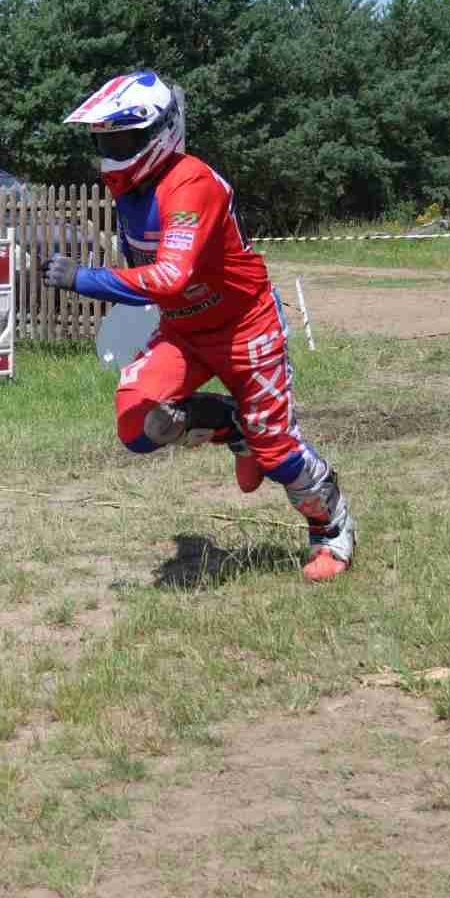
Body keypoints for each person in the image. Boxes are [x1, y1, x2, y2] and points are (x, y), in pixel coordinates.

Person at [41, 72, 355, 581]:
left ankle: (331, 529)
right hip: (185, 331)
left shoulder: (190, 183)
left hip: (244, 327)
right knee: (138, 427)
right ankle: (231, 425)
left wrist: (85, 278)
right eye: (103, 140)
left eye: (120, 139)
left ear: (159, 132)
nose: (110, 151)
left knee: (275, 453)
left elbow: (170, 274)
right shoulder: (130, 187)